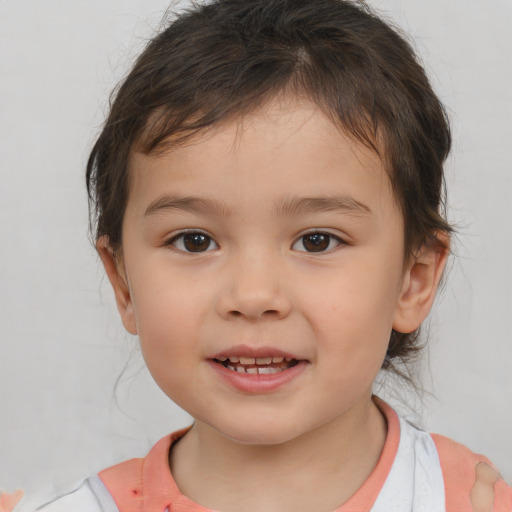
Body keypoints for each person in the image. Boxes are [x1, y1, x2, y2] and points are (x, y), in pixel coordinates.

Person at [3, 0, 511, 510]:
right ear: (123, 282)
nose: (252, 296)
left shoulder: (468, 500)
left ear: (413, 279)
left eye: (317, 240)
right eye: (194, 240)